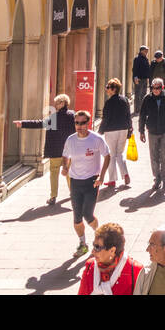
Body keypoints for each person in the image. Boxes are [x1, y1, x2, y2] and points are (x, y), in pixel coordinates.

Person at [61, 110, 110, 256]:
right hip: (75, 181)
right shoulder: (71, 140)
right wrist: (65, 167)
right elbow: (65, 155)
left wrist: (101, 177)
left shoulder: (96, 139)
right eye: (77, 123)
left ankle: (100, 237)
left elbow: (107, 156)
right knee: (77, 218)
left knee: (87, 214)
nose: (79, 126)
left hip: (91, 181)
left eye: (82, 123)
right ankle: (82, 244)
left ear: (88, 123)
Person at [15, 94, 76, 205]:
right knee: (70, 173)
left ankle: (53, 196)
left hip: (56, 150)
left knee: (54, 174)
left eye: (57, 103)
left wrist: (23, 123)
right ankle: (74, 193)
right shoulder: (73, 115)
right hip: (69, 151)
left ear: (62, 103)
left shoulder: (54, 118)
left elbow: (39, 123)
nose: (55, 105)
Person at [138, 77, 165, 193]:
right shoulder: (147, 98)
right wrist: (141, 131)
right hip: (152, 130)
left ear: (162, 87)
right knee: (154, 155)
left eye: (157, 88)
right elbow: (142, 115)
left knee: (164, 155)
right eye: (153, 88)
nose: (155, 90)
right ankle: (157, 178)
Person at [78, 222, 140, 295]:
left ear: (112, 250)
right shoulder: (90, 266)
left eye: (97, 247)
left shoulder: (135, 270)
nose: (93, 251)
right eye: (93, 245)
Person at [98, 79, 132, 189]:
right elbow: (128, 115)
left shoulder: (109, 102)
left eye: (108, 87)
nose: (106, 89)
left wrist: (100, 131)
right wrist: (129, 129)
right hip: (123, 129)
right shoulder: (125, 100)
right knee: (119, 153)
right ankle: (125, 173)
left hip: (111, 130)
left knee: (111, 155)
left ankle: (112, 180)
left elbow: (105, 118)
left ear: (114, 89)